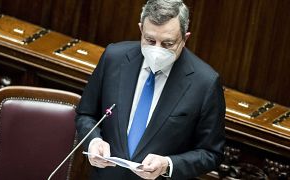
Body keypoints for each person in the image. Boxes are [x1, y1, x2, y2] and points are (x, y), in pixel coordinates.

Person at [75, 0, 226, 179]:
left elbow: (211, 153)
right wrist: (94, 140)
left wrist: (167, 165)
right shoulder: (114, 58)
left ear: (185, 38)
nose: (157, 50)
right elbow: (86, 114)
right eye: (150, 40)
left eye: (168, 44)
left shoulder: (205, 82)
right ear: (141, 30)